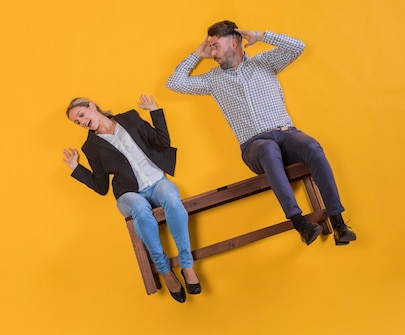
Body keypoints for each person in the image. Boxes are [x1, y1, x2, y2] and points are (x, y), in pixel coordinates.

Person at [166, 20, 357, 247]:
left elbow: (298, 46)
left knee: (312, 147)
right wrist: (197, 54)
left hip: (287, 134)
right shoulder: (212, 80)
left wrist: (260, 35)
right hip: (254, 146)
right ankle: (300, 224)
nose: (212, 52)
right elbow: (174, 83)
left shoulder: (264, 63)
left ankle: (338, 223)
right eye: (210, 47)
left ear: (235, 43)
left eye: (216, 46)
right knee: (268, 148)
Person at [62, 94, 202, 303]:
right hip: (128, 193)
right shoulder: (90, 147)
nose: (82, 122)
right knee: (140, 209)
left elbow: (161, 142)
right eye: (77, 122)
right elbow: (101, 186)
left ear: (92, 106)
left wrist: (154, 110)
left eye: (81, 115)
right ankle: (164, 270)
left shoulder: (129, 118)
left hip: (156, 181)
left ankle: (187, 265)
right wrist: (76, 168)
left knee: (172, 199)